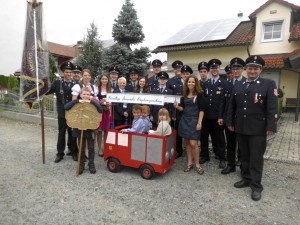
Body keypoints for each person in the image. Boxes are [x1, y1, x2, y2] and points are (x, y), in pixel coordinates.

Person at [227, 55, 278, 201]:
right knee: (244, 156)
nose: (252, 71)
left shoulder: (268, 84)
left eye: (256, 68)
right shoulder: (239, 84)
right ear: (246, 69)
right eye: (250, 68)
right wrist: (230, 122)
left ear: (261, 70)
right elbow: (232, 105)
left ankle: (256, 186)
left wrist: (271, 126)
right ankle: (246, 178)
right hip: (241, 127)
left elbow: (272, 108)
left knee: (256, 158)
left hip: (258, 129)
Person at [65, 87, 103, 174]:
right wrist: (77, 101)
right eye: (84, 94)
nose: (86, 96)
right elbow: (66, 107)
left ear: (90, 95)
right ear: (81, 95)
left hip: (90, 128)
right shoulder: (76, 103)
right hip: (79, 128)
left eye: (88, 94)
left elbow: (100, 110)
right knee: (81, 147)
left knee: (91, 147)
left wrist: (92, 101)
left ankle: (91, 164)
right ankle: (81, 164)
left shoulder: (92, 103)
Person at [174, 75, 206, 175]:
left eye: (192, 82)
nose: (190, 83)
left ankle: (197, 164)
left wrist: (199, 122)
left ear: (196, 83)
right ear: (186, 83)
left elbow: (201, 110)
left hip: (195, 120)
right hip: (185, 120)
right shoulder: (185, 94)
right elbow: (183, 108)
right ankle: (189, 163)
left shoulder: (200, 94)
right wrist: (176, 106)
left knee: (193, 144)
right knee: (187, 143)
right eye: (189, 82)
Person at [219, 57, 246, 175]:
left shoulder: (246, 82)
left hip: (241, 120)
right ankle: (231, 165)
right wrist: (220, 116)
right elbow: (222, 102)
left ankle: (243, 165)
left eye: (238, 68)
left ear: (243, 69)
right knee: (230, 143)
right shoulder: (227, 83)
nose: (236, 71)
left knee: (243, 144)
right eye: (234, 69)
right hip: (228, 119)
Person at [46, 61, 77, 163]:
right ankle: (60, 153)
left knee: (72, 133)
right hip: (62, 113)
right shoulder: (57, 83)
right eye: (66, 72)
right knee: (61, 133)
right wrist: (41, 85)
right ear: (63, 73)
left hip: (72, 113)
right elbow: (47, 91)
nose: (68, 74)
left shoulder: (76, 84)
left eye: (70, 72)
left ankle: (73, 152)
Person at [200, 59, 226, 169]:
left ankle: (222, 158)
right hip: (206, 116)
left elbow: (223, 102)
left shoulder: (224, 83)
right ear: (210, 70)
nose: (214, 70)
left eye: (216, 68)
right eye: (212, 68)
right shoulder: (206, 83)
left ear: (219, 69)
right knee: (204, 136)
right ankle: (205, 155)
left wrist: (221, 116)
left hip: (217, 116)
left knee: (219, 138)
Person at [95, 73, 112, 157]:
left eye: (106, 79)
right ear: (100, 80)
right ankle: (100, 149)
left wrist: (108, 104)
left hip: (108, 112)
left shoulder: (110, 89)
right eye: (103, 79)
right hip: (100, 112)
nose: (104, 80)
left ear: (108, 80)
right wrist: (100, 102)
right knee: (99, 131)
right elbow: (95, 99)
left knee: (106, 131)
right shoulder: (97, 89)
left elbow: (112, 101)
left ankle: (106, 147)